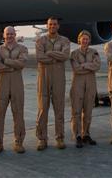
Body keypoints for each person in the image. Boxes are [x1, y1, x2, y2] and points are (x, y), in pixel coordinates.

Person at [0, 26, 28, 154]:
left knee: (18, 113)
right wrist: (12, 66)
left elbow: (22, 63)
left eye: (12, 34)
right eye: (8, 34)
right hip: (3, 82)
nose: (10, 36)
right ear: (3, 35)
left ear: (15, 35)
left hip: (17, 83)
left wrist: (5, 61)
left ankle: (18, 142)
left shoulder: (22, 48)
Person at [35, 17, 70, 150]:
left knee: (59, 108)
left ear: (58, 26)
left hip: (58, 77)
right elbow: (39, 57)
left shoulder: (64, 40)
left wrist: (49, 53)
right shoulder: (41, 40)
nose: (52, 26)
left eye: (55, 24)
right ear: (47, 25)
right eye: (50, 24)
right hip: (43, 76)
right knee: (43, 109)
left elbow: (65, 56)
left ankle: (59, 138)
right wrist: (56, 57)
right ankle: (42, 139)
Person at [69, 30, 101, 148]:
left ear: (89, 40)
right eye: (83, 39)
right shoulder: (74, 54)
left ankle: (86, 134)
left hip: (90, 83)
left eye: (87, 39)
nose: (85, 41)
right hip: (78, 83)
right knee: (76, 111)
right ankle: (77, 135)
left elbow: (97, 66)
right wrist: (89, 66)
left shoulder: (94, 52)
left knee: (88, 110)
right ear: (79, 40)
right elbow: (76, 69)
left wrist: (84, 65)